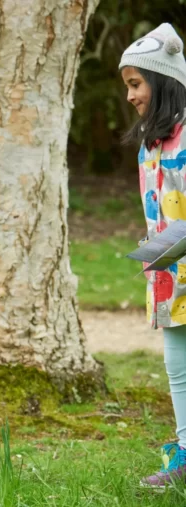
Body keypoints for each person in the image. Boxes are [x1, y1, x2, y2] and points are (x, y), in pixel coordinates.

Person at [119, 23, 186, 489]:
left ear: (162, 82)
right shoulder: (150, 144)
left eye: (136, 84)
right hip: (170, 273)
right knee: (176, 365)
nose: (130, 96)